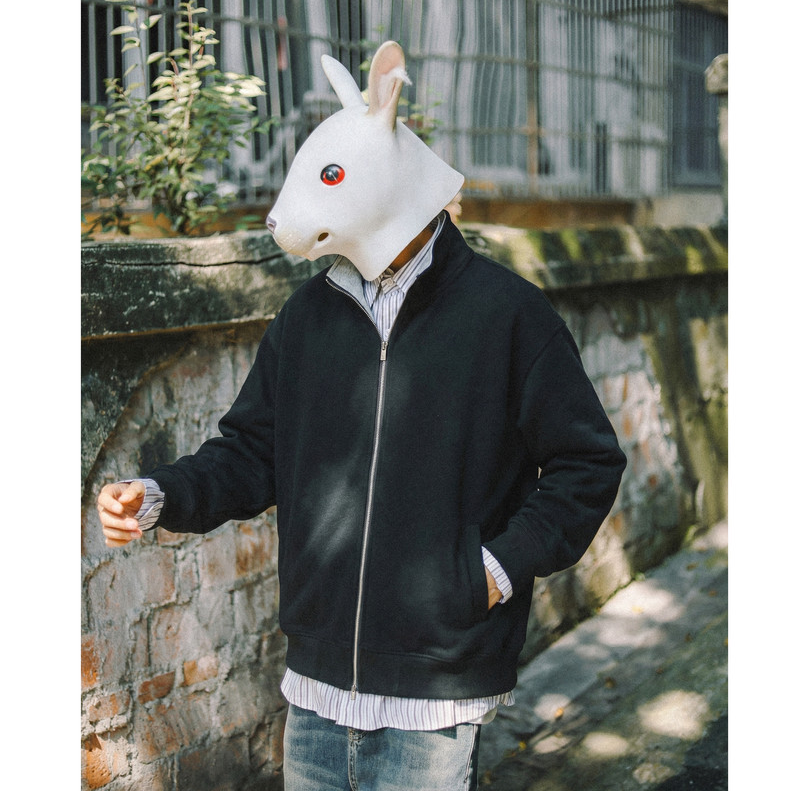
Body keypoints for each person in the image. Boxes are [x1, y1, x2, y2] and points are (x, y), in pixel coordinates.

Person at [97, 42, 626, 791]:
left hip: (434, 696)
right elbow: (252, 452)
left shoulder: (509, 315)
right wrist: (157, 496)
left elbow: (587, 463)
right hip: (314, 691)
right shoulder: (307, 318)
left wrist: (493, 571)